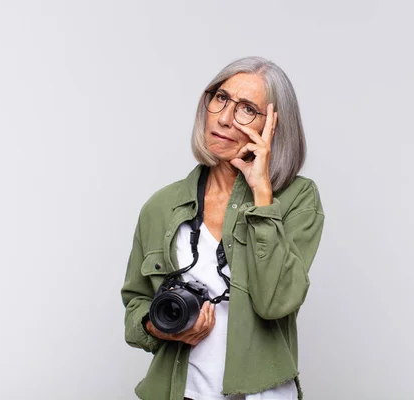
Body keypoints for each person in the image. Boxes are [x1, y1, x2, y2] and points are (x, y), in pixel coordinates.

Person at [121, 56, 324, 400]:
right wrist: (159, 327)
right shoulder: (162, 206)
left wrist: (262, 193)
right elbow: (136, 304)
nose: (226, 118)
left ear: (274, 126)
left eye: (247, 109)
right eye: (221, 98)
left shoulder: (296, 198)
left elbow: (275, 302)